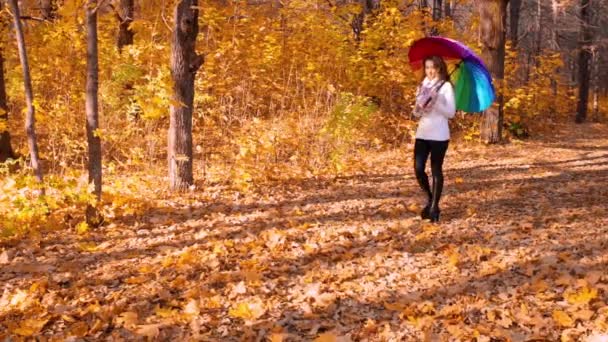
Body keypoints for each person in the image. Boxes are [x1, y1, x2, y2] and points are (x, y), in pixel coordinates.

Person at [412, 55, 456, 222]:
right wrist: (417, 108)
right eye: (427, 67)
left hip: (439, 134)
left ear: (439, 68)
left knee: (436, 170)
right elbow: (418, 113)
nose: (430, 71)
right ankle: (430, 199)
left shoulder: (445, 87)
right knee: (418, 168)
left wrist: (436, 101)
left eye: (433, 67)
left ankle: (434, 208)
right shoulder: (422, 85)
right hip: (423, 133)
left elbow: (450, 113)